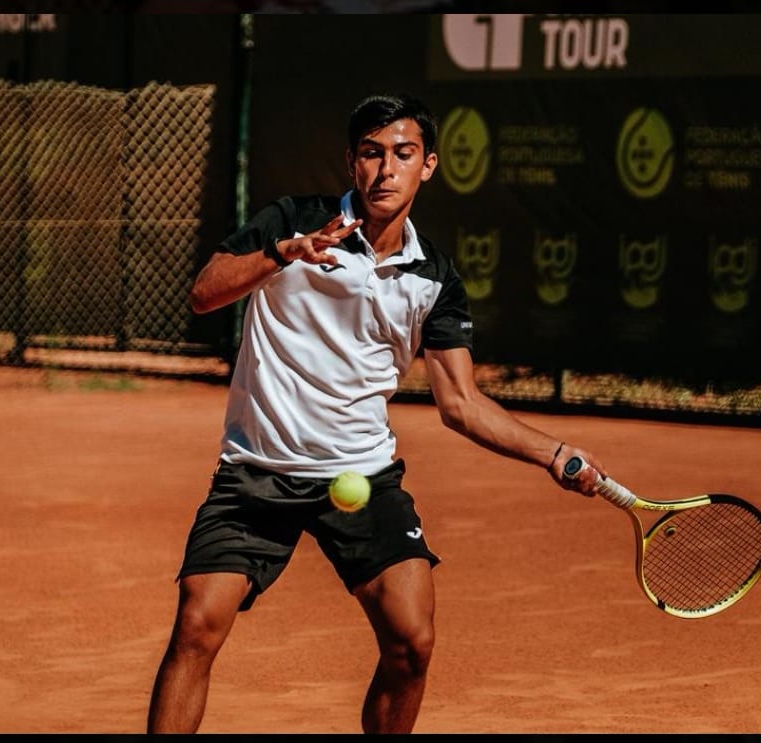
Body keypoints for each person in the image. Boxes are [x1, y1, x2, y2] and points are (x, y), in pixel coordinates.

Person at [147, 92, 608, 734]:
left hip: (362, 477)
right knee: (197, 625)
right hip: (256, 471)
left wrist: (553, 454)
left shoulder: (434, 279)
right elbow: (203, 294)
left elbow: (462, 404)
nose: (385, 169)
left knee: (412, 641)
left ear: (429, 166)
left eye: (402, 153)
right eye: (371, 153)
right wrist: (284, 253)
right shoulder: (294, 220)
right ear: (351, 163)